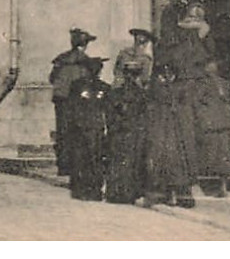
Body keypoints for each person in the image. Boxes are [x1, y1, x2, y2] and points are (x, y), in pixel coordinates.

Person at [144, 61, 197, 208]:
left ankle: (178, 194)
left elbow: (184, 111)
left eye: (169, 74)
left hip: (176, 132)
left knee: (176, 161)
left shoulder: (179, 91)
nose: (166, 77)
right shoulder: (158, 91)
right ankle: (164, 193)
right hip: (164, 131)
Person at [105, 51, 152, 205]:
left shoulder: (116, 93)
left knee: (119, 162)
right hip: (134, 133)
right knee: (132, 162)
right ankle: (129, 193)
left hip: (120, 132)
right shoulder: (142, 94)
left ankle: (116, 193)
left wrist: (114, 127)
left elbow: (110, 114)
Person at [48, 28, 96, 176]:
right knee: (77, 133)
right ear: (85, 44)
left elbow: (51, 78)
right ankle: (75, 166)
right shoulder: (85, 61)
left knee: (62, 131)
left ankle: (63, 167)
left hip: (61, 100)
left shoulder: (61, 59)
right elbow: (89, 81)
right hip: (77, 101)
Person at [64, 56, 111, 201]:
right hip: (88, 128)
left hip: (90, 128)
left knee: (88, 159)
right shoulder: (82, 86)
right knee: (89, 158)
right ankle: (87, 190)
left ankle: (86, 190)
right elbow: (72, 108)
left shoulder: (101, 87)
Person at [190, 60, 230, 197]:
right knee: (215, 158)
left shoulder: (226, 85)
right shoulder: (201, 86)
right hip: (213, 126)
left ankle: (222, 186)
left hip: (220, 126)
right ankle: (218, 187)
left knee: (221, 157)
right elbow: (197, 106)